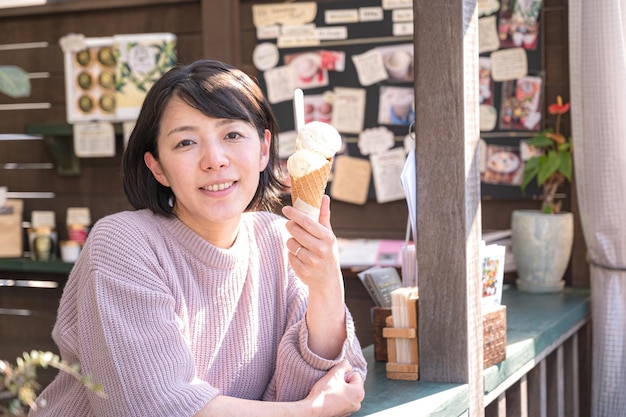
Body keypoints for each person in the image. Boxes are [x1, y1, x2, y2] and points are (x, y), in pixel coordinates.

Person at [30, 60, 367, 417]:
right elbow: (153, 408)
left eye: (232, 135)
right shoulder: (123, 243)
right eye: (186, 142)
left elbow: (339, 381)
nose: (215, 160)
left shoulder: (277, 240)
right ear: (157, 166)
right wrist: (310, 411)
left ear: (264, 149)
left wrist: (326, 284)